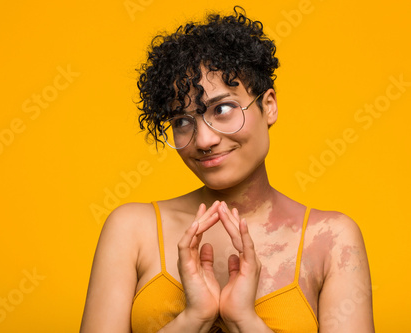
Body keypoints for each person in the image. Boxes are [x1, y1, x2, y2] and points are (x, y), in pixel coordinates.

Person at [80, 7, 374, 333]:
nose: (203, 140)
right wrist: (194, 319)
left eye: (222, 109)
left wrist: (243, 321)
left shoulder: (331, 239)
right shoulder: (131, 229)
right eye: (182, 121)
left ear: (269, 106)